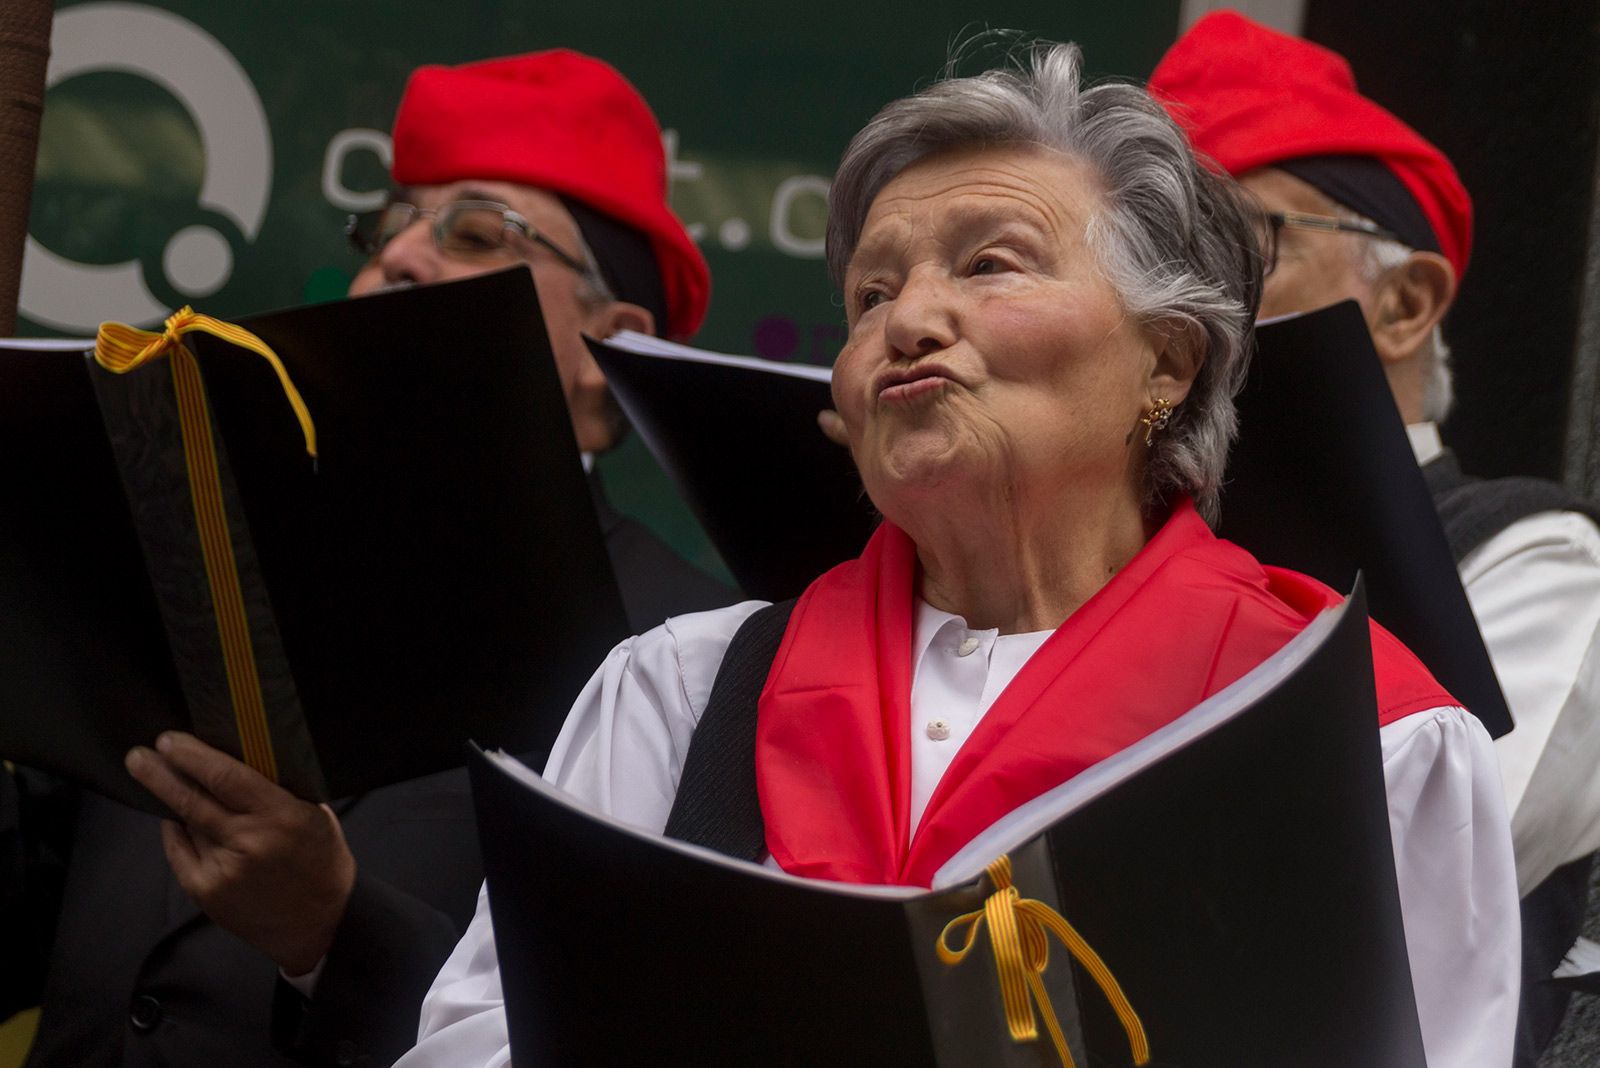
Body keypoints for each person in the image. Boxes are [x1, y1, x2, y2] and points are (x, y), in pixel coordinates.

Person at [396, 41, 1519, 1068]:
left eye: (989, 264)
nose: (907, 320)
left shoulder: (1362, 731)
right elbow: (478, 1042)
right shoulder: (678, 691)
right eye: (870, 293)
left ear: (1168, 362)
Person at [8, 49, 732, 1068]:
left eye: (475, 233)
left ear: (605, 352)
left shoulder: (686, 654)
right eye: (386, 226)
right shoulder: (191, 539)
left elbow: (625, 1028)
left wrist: (332, 933)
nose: (398, 257)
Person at [1148, 13, 1600, 1062]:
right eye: (1138, 255)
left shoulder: (1538, 566)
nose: (1165, 300)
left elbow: (1403, 882)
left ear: (1404, 302)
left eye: (1230, 244)